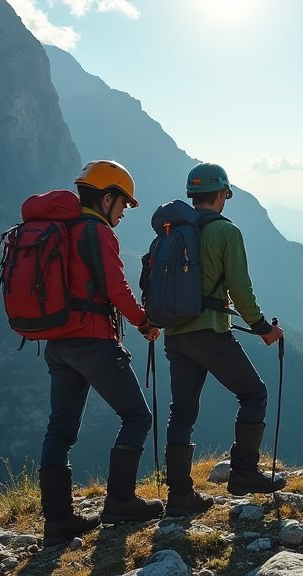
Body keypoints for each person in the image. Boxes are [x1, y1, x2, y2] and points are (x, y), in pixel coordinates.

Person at [38, 160, 164, 546]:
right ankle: (120, 501)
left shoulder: (61, 230)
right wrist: (145, 322)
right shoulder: (98, 232)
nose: (124, 212)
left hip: (57, 345)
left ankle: (58, 523)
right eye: (123, 204)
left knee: (59, 431)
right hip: (93, 341)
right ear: (107, 197)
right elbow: (116, 288)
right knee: (137, 416)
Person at [161, 162, 285, 516]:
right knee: (253, 393)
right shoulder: (226, 232)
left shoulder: (173, 232)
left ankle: (180, 495)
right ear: (222, 195)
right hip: (210, 333)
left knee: (181, 413)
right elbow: (241, 291)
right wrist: (263, 328)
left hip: (176, 335)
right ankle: (243, 473)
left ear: (192, 196)